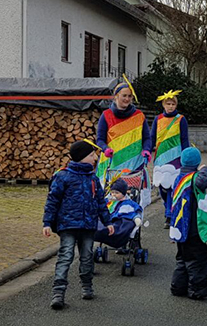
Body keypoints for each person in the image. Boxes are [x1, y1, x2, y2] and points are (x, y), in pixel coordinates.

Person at [42, 140, 114, 310]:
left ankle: (87, 286)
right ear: (81, 157)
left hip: (88, 225)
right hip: (67, 224)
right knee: (66, 255)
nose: (96, 157)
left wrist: (108, 221)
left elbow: (100, 202)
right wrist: (47, 222)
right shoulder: (63, 176)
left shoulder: (93, 178)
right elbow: (52, 200)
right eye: (91, 155)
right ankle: (58, 292)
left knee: (87, 255)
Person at [169, 147, 207, 301]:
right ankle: (199, 290)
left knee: (182, 258)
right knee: (198, 259)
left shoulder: (179, 178)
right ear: (197, 162)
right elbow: (202, 181)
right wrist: (206, 168)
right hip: (192, 228)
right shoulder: (193, 178)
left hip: (179, 227)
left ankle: (178, 286)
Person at [96, 81, 152, 206]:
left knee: (134, 201)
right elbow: (99, 139)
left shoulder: (139, 116)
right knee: (111, 201)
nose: (127, 99)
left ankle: (135, 225)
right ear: (116, 96)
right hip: (112, 165)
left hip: (135, 165)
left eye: (129, 96)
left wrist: (147, 149)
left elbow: (147, 138)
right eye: (124, 95)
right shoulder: (106, 116)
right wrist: (105, 149)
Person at [151, 90, 190, 229]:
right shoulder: (158, 119)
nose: (170, 106)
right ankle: (168, 208)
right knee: (162, 186)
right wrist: (148, 151)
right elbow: (152, 137)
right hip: (161, 157)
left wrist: (187, 157)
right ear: (163, 104)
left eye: (173, 103)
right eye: (168, 103)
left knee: (173, 186)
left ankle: (169, 214)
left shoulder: (181, 119)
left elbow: (185, 139)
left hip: (176, 158)